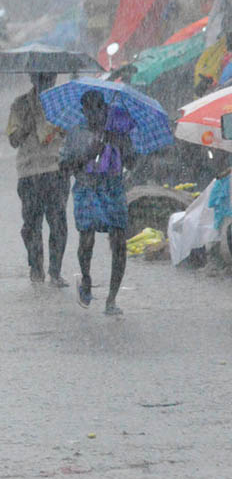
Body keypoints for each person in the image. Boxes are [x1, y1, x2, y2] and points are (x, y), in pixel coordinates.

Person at [59, 91, 135, 315]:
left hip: (113, 188)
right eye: (89, 110)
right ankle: (86, 278)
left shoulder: (118, 130)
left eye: (98, 108)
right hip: (86, 188)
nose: (94, 114)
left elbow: (132, 160)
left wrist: (119, 144)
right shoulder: (75, 133)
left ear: (105, 108)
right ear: (83, 111)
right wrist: (87, 154)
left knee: (119, 242)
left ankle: (111, 299)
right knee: (87, 238)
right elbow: (64, 166)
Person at [7, 73, 70, 286]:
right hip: (29, 171)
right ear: (33, 79)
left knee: (58, 223)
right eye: (41, 78)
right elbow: (13, 140)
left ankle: (55, 271)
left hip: (56, 168)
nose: (45, 82)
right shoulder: (20, 104)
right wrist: (29, 122)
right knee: (32, 225)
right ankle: (36, 268)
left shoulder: (62, 104)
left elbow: (72, 132)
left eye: (49, 78)